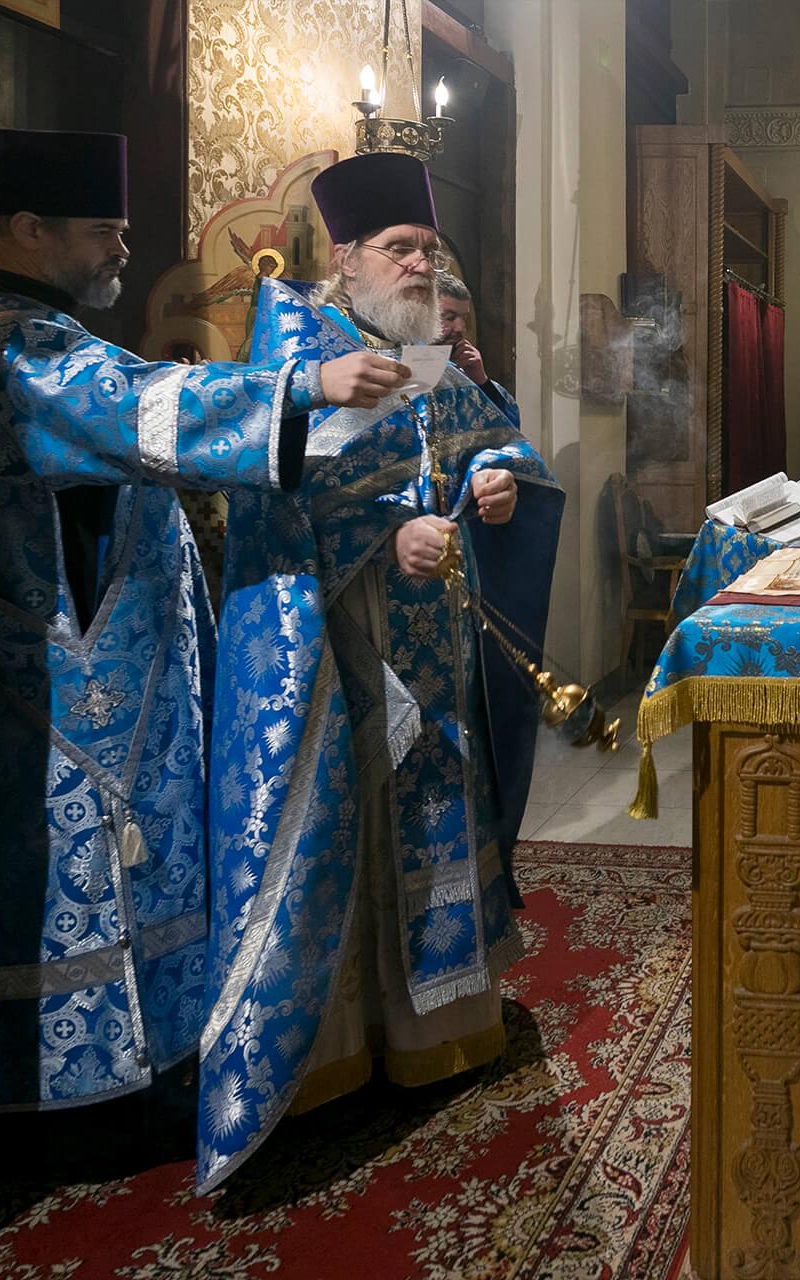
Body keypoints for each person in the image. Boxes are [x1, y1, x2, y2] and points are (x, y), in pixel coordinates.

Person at [0, 128, 407, 1121]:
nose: (122, 249)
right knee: (88, 877)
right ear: (28, 228)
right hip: (58, 681)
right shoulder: (6, 344)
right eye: (103, 230)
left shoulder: (48, 330)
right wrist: (299, 385)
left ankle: (153, 1062)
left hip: (115, 665)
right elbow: (132, 407)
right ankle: (80, 1100)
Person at [197, 148, 563, 1191]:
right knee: (349, 831)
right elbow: (272, 504)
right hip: (338, 653)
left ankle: (434, 1027)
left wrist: (495, 478)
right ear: (345, 256)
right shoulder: (298, 348)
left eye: (429, 248)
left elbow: (492, 437)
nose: (420, 265)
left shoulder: (421, 346)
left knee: (434, 809)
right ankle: (331, 1051)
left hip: (433, 646)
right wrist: (381, 536)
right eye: (400, 248)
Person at [436, 269, 514, 418]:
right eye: (449, 318)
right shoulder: (397, 370)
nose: (460, 328)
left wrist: (481, 382)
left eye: (464, 318)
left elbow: (508, 426)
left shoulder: (466, 373)